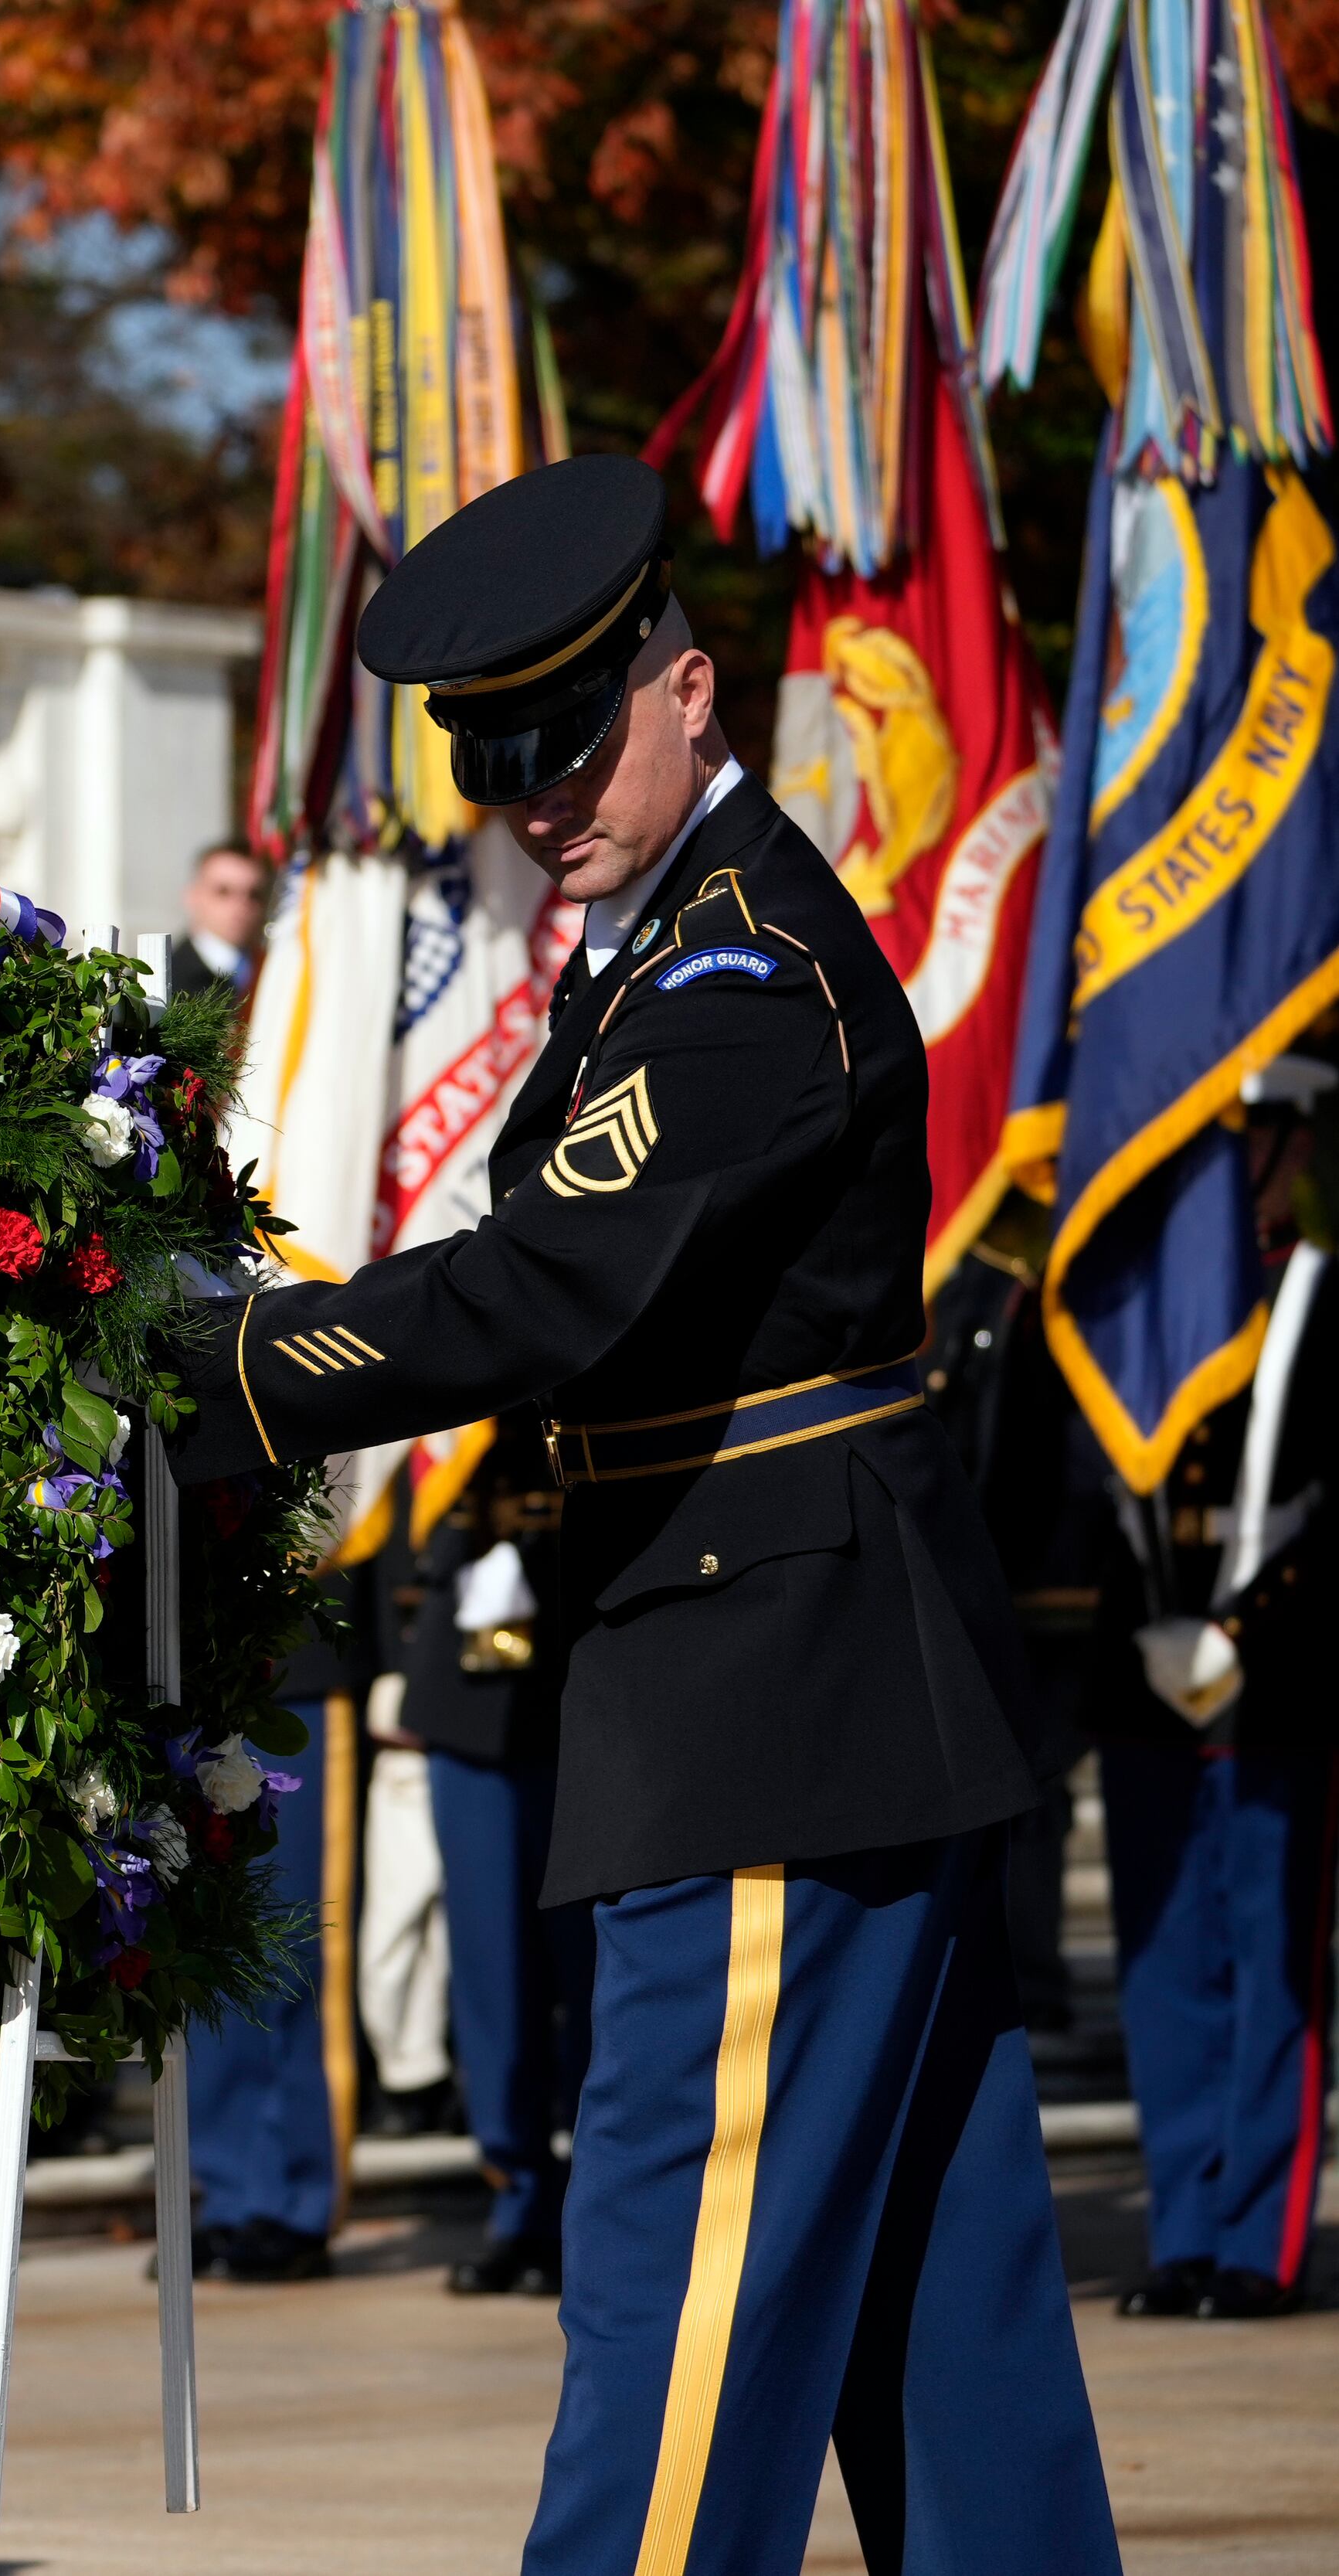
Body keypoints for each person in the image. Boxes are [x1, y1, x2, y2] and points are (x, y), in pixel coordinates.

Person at [159, 454, 1116, 2571]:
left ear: (694, 689)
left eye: (571, 742)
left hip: (766, 1695)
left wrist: (199, 1374)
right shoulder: (649, 947)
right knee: (939, 2320)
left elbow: (532, 1291)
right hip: (809, 1680)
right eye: (493, 757)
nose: (533, 794)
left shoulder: (738, 972)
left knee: (679, 2309)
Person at [1084, 1067, 1335, 2322]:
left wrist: (1243, 1622)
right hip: (1147, 1668)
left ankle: (1258, 2237)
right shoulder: (1142, 1303)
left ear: (1298, 1146)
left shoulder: (1322, 1290)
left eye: (1253, 1142)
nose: (1233, 1171)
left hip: (1274, 1676)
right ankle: (1183, 2224)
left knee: (1269, 1961)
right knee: (1164, 1964)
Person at [386, 1407, 594, 2295]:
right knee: (490, 1974)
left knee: (592, 1975)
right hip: (471, 1701)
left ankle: (600, 2204)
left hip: (589, 1688)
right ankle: (515, 2198)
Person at [168, 840, 269, 1006]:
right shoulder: (158, 979)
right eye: (223, 892)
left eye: (254, 894)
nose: (241, 905)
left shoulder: (278, 971)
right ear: (193, 896)